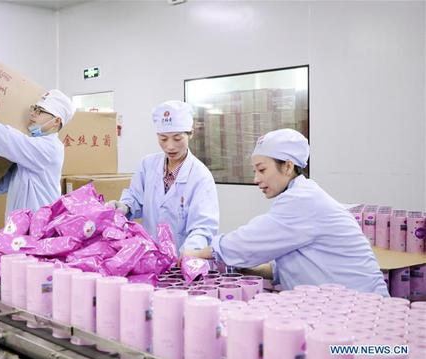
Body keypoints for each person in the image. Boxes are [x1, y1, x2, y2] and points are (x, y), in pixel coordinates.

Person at [183, 128, 389, 296]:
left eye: (262, 170)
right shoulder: (297, 196)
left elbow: (249, 241)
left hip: (361, 305)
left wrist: (193, 254)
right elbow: (286, 264)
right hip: (340, 304)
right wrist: (241, 268)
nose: (256, 179)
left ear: (288, 167)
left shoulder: (303, 200)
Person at [108, 100, 219, 254]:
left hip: (181, 262)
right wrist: (124, 206)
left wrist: (190, 252)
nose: (170, 146)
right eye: (163, 138)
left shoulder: (200, 176)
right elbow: (135, 197)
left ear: (190, 134)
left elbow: (203, 227)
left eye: (177, 138)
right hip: (150, 256)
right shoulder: (148, 164)